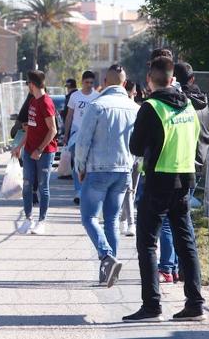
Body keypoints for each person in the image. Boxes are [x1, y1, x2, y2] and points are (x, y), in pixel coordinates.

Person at [124, 56, 205, 322]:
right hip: (185, 180)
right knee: (186, 242)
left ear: (150, 80)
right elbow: (195, 141)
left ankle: (152, 306)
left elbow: (135, 147)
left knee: (147, 242)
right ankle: (195, 303)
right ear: (173, 79)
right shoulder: (189, 107)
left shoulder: (151, 107)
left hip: (159, 180)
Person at [74, 64, 138, 288]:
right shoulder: (134, 108)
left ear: (105, 80)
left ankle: (106, 256)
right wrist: (132, 164)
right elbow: (138, 144)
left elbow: (83, 141)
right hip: (123, 171)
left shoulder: (97, 105)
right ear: (124, 81)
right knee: (111, 220)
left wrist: (79, 167)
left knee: (89, 218)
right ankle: (110, 271)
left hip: (98, 169)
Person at [158, 62, 209, 283]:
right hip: (200, 160)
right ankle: (181, 269)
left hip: (179, 161)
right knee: (184, 219)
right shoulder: (204, 102)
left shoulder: (179, 103)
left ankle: (168, 267)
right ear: (193, 79)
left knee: (171, 221)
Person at [12, 71, 57, 235]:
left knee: (43, 187)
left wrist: (40, 149)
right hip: (29, 151)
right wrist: (19, 146)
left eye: (28, 84)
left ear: (32, 84)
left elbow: (53, 130)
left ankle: (42, 221)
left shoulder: (46, 102)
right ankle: (28, 219)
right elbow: (29, 129)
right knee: (26, 185)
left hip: (44, 152)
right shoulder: (32, 102)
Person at [64, 71, 100, 205]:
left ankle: (87, 189)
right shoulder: (75, 96)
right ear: (82, 82)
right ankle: (78, 190)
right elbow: (69, 116)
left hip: (91, 135)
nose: (89, 85)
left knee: (89, 163)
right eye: (87, 82)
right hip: (76, 134)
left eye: (91, 83)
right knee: (77, 162)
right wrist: (66, 134)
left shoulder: (97, 96)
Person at [120, 80, 141, 237]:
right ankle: (130, 223)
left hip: (138, 155)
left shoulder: (139, 109)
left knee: (133, 188)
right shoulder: (124, 108)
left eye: (131, 92)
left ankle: (122, 218)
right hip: (127, 154)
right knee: (129, 189)